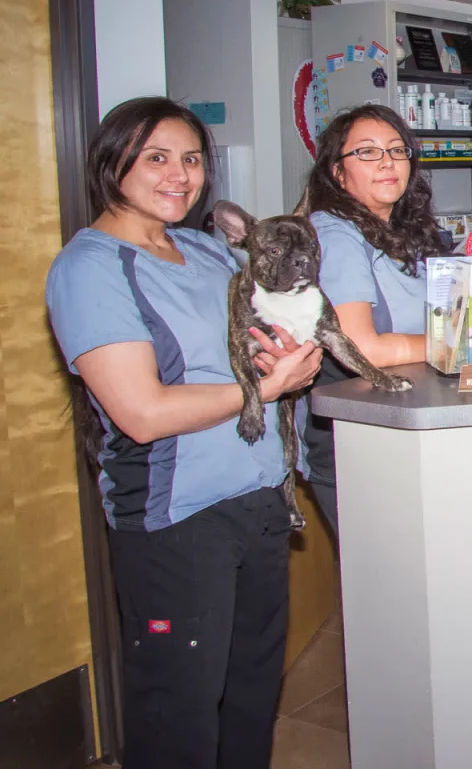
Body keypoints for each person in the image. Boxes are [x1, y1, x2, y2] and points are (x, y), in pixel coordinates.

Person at [45, 97, 324, 768]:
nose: (179, 175)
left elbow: (255, 336)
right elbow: (140, 411)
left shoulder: (202, 248)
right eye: (156, 158)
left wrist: (284, 351)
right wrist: (268, 387)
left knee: (251, 696)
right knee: (180, 710)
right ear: (113, 164)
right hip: (176, 520)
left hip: (257, 503)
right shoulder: (90, 269)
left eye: (192, 160)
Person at [292, 103, 446, 536]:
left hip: (405, 423)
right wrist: (465, 343)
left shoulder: (404, 233)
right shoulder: (334, 231)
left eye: (397, 151)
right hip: (356, 439)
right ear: (338, 173)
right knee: (387, 583)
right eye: (367, 152)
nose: (387, 162)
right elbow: (362, 347)